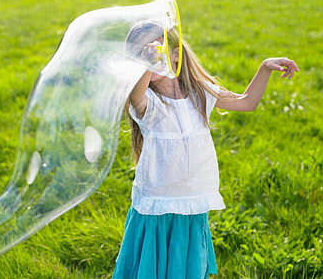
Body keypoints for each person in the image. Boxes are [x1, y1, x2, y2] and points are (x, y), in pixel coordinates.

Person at [112, 21, 299, 279]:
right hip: (157, 203)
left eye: (156, 50)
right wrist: (149, 63)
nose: (151, 56)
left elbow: (247, 103)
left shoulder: (200, 92)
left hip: (191, 199)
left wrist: (265, 66)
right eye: (141, 54)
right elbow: (136, 97)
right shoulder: (148, 102)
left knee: (184, 269)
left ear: (176, 54)